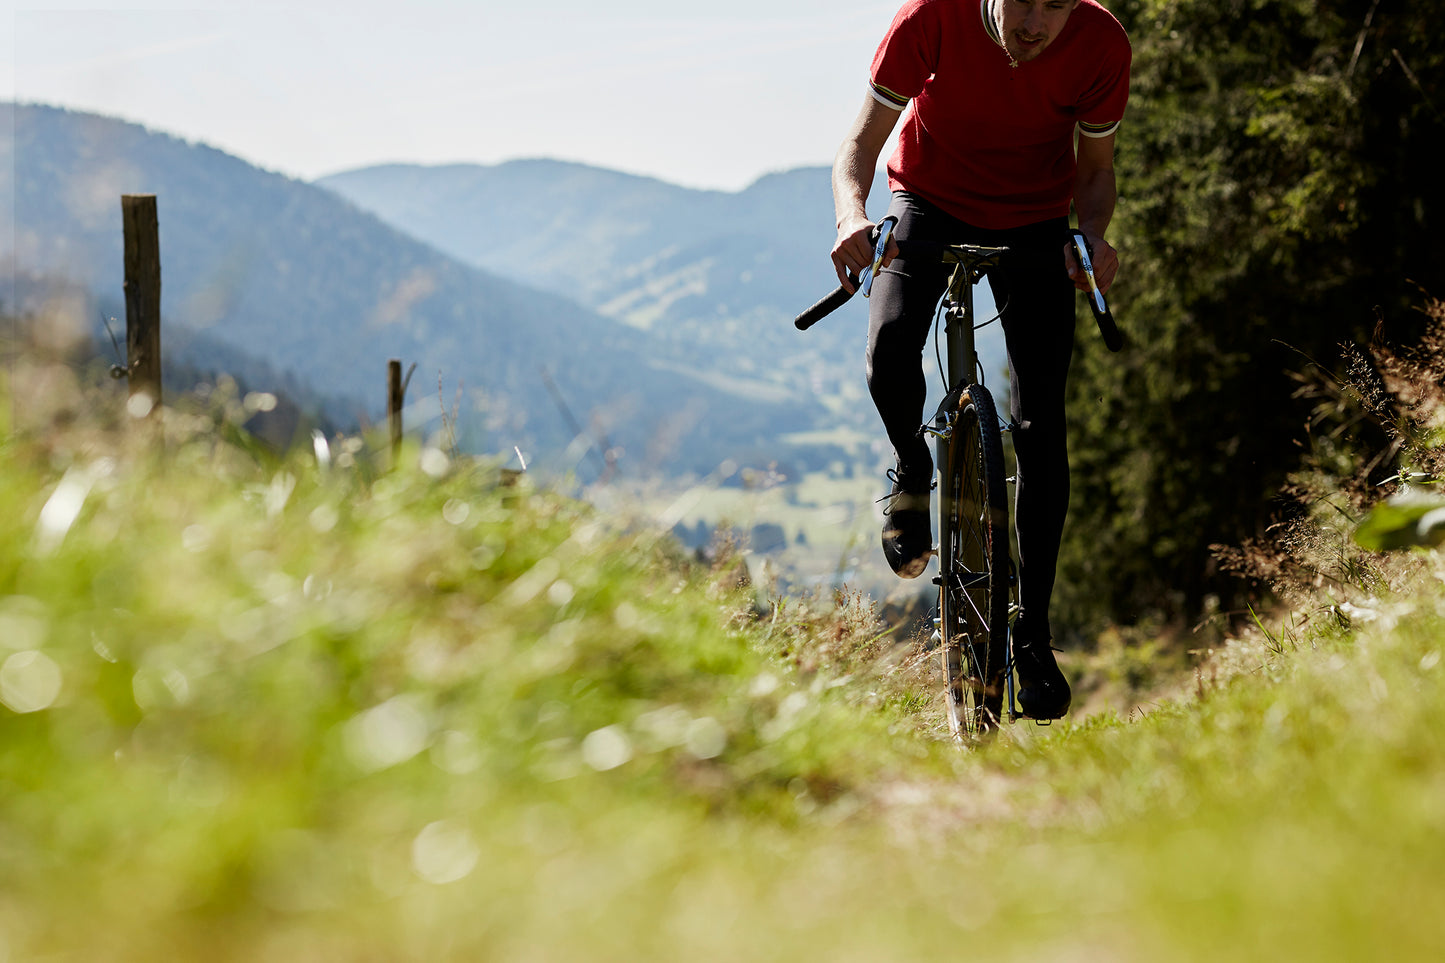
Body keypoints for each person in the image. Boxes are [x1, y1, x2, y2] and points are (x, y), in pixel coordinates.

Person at [829, 0, 1131, 720]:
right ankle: (912, 467)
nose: (1034, 21)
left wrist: (1089, 238)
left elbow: (1094, 173)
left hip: (1034, 218)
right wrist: (851, 220)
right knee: (889, 347)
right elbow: (858, 147)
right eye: (1021, 0)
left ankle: (1032, 631)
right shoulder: (930, 19)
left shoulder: (1099, 43)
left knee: (1040, 425)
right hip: (925, 201)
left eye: (1054, 5)